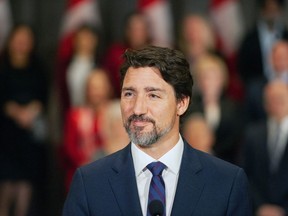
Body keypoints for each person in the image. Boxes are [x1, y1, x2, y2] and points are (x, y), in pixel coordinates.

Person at [63, 46, 251, 216]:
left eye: (153, 95)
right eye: (129, 94)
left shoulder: (227, 183)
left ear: (182, 103)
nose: (137, 109)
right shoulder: (89, 183)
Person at [0, 24, 48, 216]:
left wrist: (31, 112)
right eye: (18, 38)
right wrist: (15, 111)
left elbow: (43, 96)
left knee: (26, 181)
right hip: (5, 134)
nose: (21, 43)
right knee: (6, 181)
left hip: (30, 133)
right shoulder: (2, 67)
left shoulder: (38, 67)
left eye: (26, 39)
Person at [62, 68, 113, 192]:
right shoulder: (75, 116)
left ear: (108, 88)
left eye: (100, 87)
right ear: (87, 89)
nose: (97, 92)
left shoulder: (116, 114)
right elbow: (69, 147)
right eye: (93, 87)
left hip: (110, 174)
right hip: (82, 175)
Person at [188, 53, 244, 164]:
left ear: (222, 79)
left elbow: (235, 139)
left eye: (214, 77)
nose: (209, 82)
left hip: (225, 161)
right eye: (205, 77)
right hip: (194, 160)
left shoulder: (233, 107)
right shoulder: (190, 106)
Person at [243, 80, 288, 216]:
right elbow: (244, 173)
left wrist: (284, 210)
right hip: (257, 210)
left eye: (280, 98)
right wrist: (260, 206)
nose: (276, 102)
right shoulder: (252, 134)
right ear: (265, 104)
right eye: (271, 99)